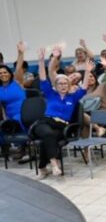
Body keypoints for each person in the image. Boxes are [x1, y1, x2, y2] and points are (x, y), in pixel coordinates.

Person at [33, 49, 92, 177]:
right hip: (46, 122)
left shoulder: (73, 97)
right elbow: (43, 78)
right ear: (56, 85)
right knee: (48, 134)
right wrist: (41, 61)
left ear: (69, 85)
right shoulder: (51, 94)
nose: (63, 85)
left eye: (66, 83)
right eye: (60, 83)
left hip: (62, 126)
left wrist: (87, 71)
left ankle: (42, 167)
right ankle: (54, 164)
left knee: (47, 140)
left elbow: (84, 88)